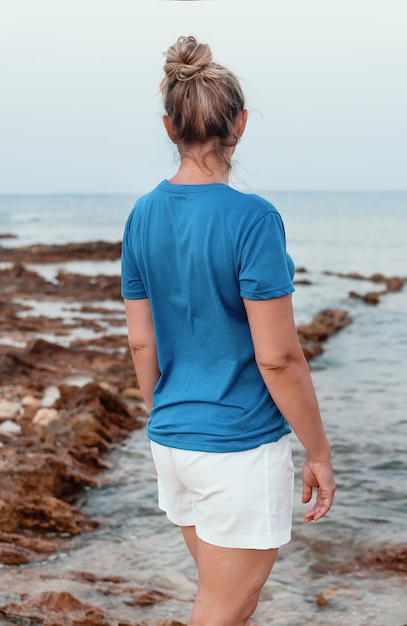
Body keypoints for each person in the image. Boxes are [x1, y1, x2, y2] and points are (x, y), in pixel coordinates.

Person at [121, 35, 336, 626]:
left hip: (173, 442)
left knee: (219, 606)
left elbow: (142, 341)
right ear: (239, 123)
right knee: (219, 612)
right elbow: (279, 358)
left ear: (170, 128)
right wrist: (318, 452)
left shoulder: (141, 215)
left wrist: (165, 414)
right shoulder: (254, 218)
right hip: (237, 449)